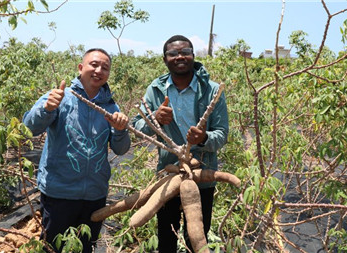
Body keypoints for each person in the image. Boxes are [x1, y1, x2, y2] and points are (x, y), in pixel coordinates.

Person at [23, 48, 131, 253]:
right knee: (53, 248)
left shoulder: (112, 108)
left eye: (105, 68)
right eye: (94, 64)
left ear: (108, 74)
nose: (99, 70)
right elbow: (29, 128)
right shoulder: (60, 98)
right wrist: (46, 109)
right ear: (81, 68)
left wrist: (120, 131)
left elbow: (121, 149)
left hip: (94, 195)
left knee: (85, 248)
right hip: (59, 194)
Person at [132, 35, 229, 252]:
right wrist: (154, 118)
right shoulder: (156, 90)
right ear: (165, 59)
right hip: (168, 177)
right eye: (173, 53)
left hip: (201, 175)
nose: (180, 57)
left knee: (198, 238)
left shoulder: (212, 90)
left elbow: (222, 135)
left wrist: (203, 139)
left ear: (193, 56)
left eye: (185, 52)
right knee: (166, 238)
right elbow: (137, 127)